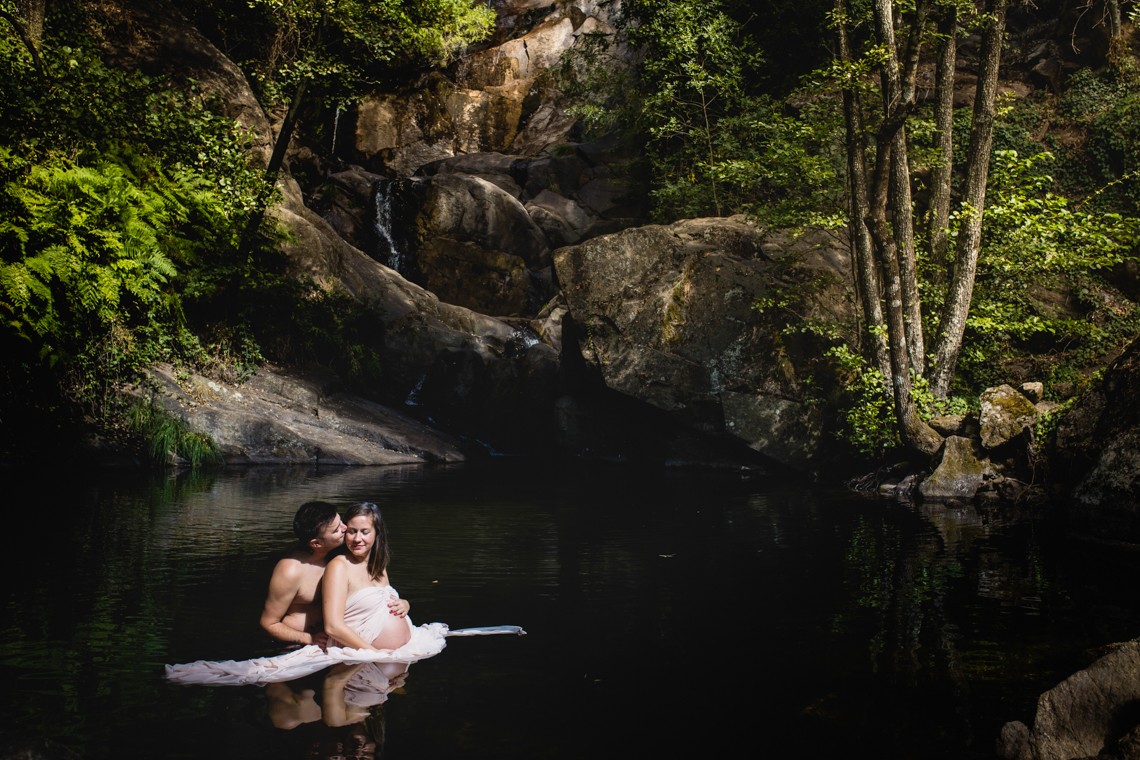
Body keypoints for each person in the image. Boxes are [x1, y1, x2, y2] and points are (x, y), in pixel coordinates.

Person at [321, 502, 412, 652]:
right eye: (352, 531)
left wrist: (405, 604)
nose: (357, 539)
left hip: (393, 660)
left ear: (377, 533)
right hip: (360, 659)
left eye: (365, 532)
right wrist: (374, 655)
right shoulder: (339, 567)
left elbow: (382, 604)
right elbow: (333, 627)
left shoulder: (379, 565)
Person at [260, 501, 347, 648]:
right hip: (296, 646)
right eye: (336, 530)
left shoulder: (337, 552)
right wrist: (309, 638)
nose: (345, 528)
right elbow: (268, 623)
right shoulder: (291, 570)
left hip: (333, 639)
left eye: (341, 522)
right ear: (316, 543)